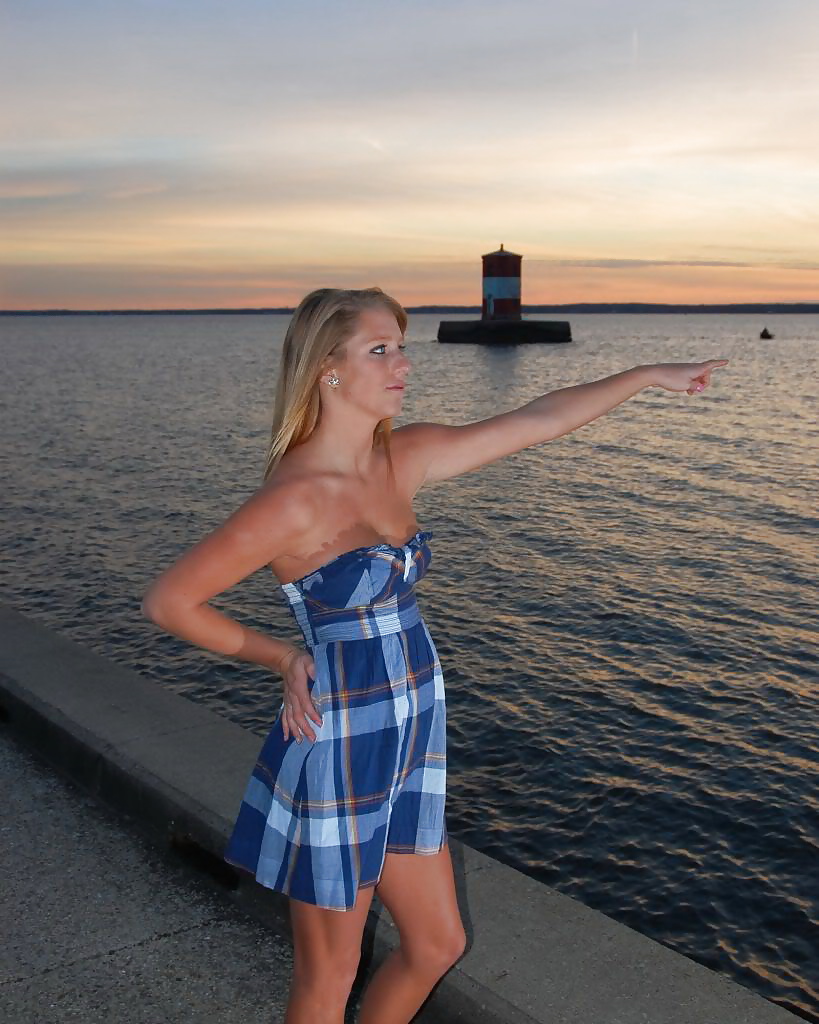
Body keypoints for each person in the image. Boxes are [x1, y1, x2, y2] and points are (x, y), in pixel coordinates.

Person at [141, 286, 728, 1024]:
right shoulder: (296, 499)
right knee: (329, 979)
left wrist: (645, 375)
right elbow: (169, 601)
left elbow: (536, 420)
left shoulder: (403, 457)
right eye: (379, 350)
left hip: (411, 737)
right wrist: (280, 658)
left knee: (436, 941)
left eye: (402, 346)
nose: (402, 364)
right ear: (327, 368)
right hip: (343, 745)